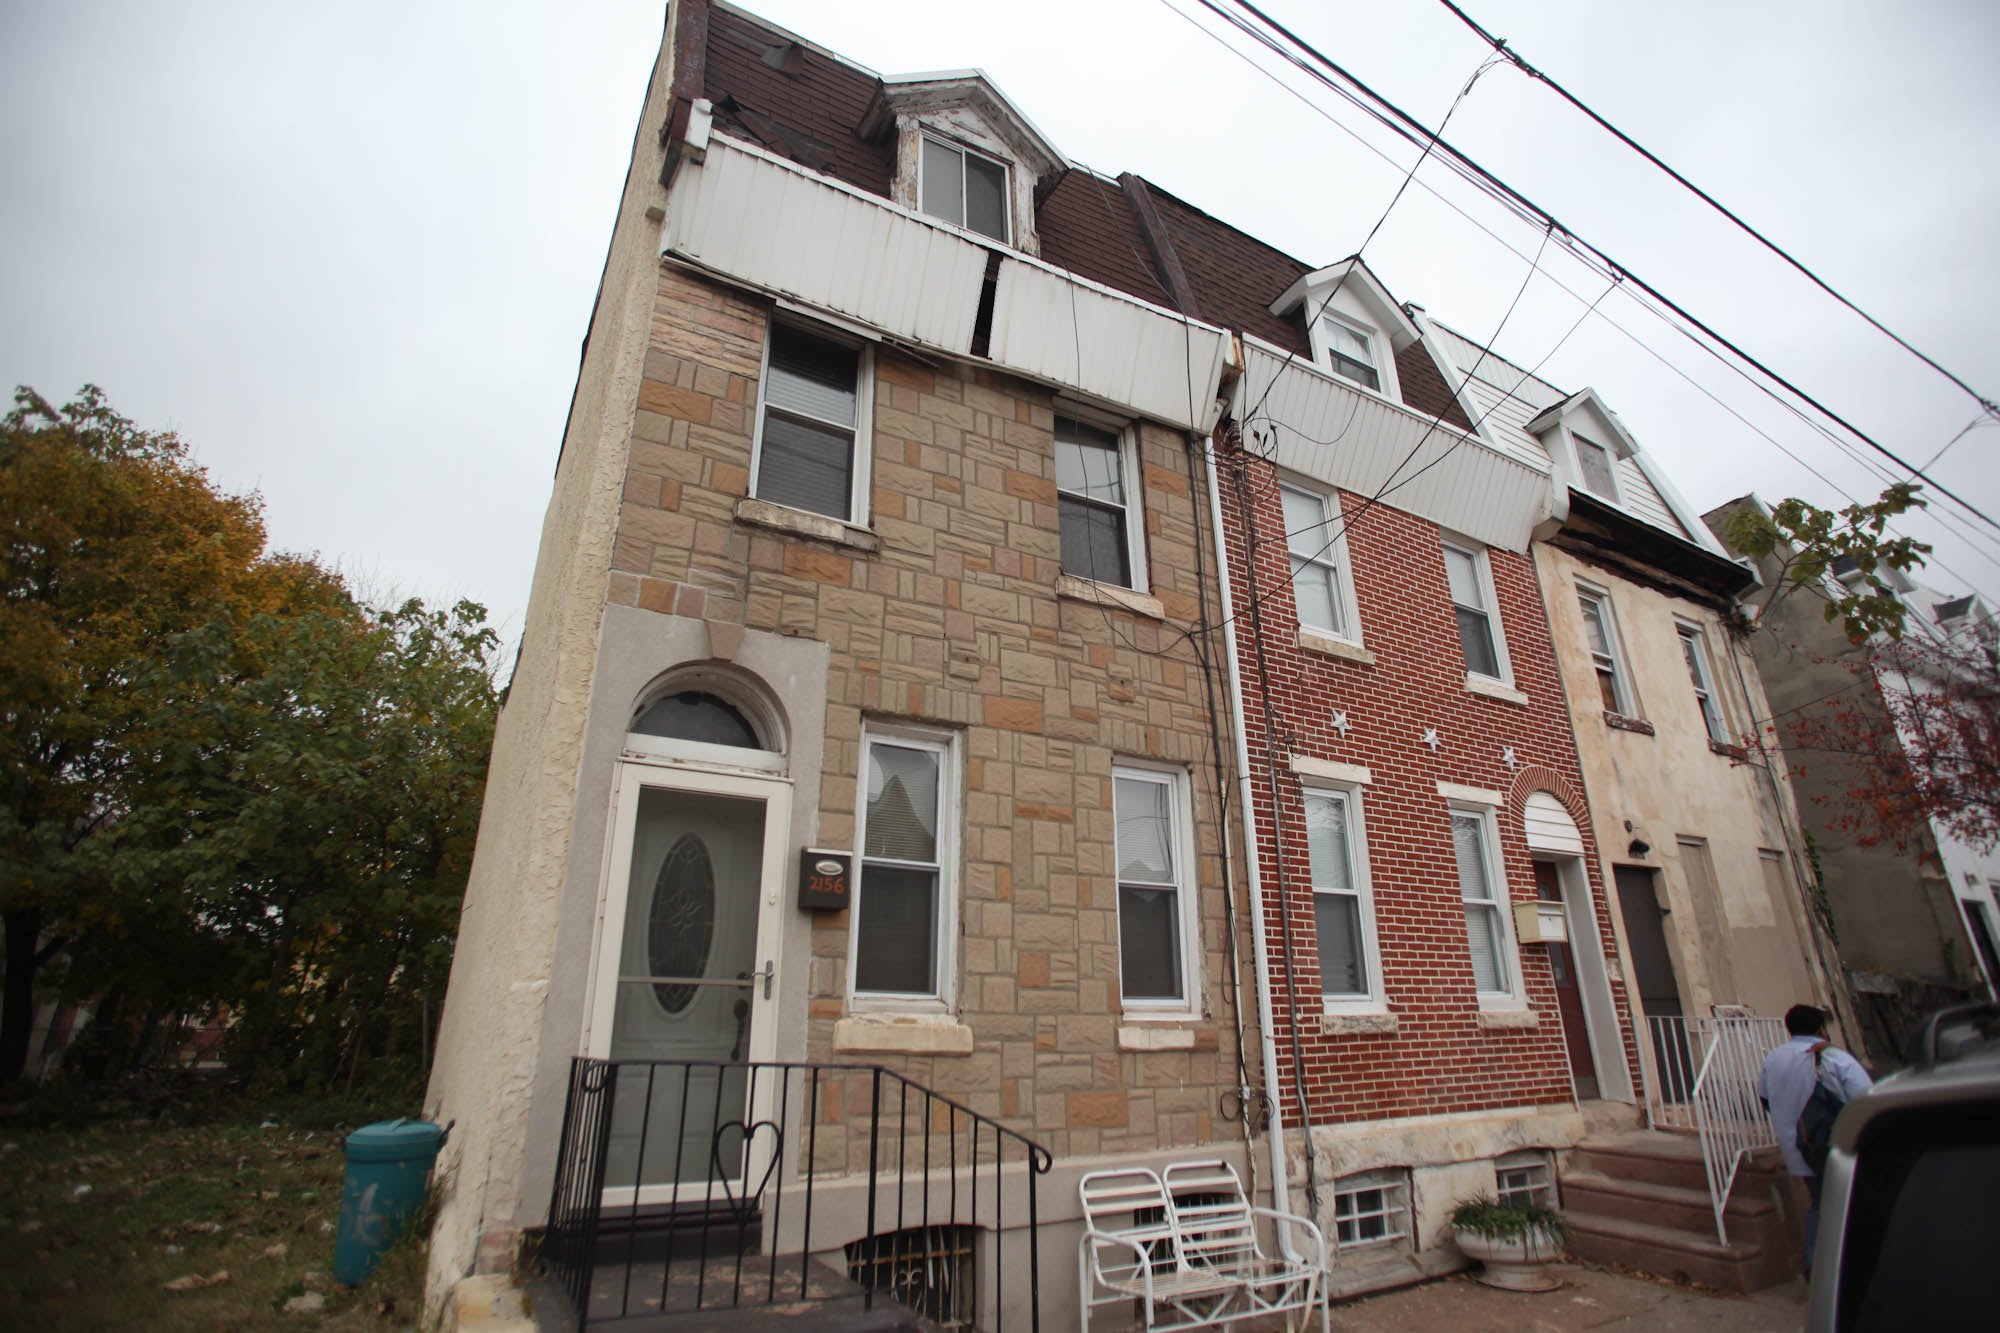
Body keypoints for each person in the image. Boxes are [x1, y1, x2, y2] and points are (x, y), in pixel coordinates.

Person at [1757, 1003, 1872, 1274]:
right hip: (1841, 1145)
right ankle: (1834, 1265)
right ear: (1822, 1028)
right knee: (1846, 1204)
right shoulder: (1833, 1058)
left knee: (1820, 1202)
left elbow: (1765, 1098)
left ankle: (1817, 1263)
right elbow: (1867, 1099)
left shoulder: (1773, 1059)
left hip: (1799, 1148)